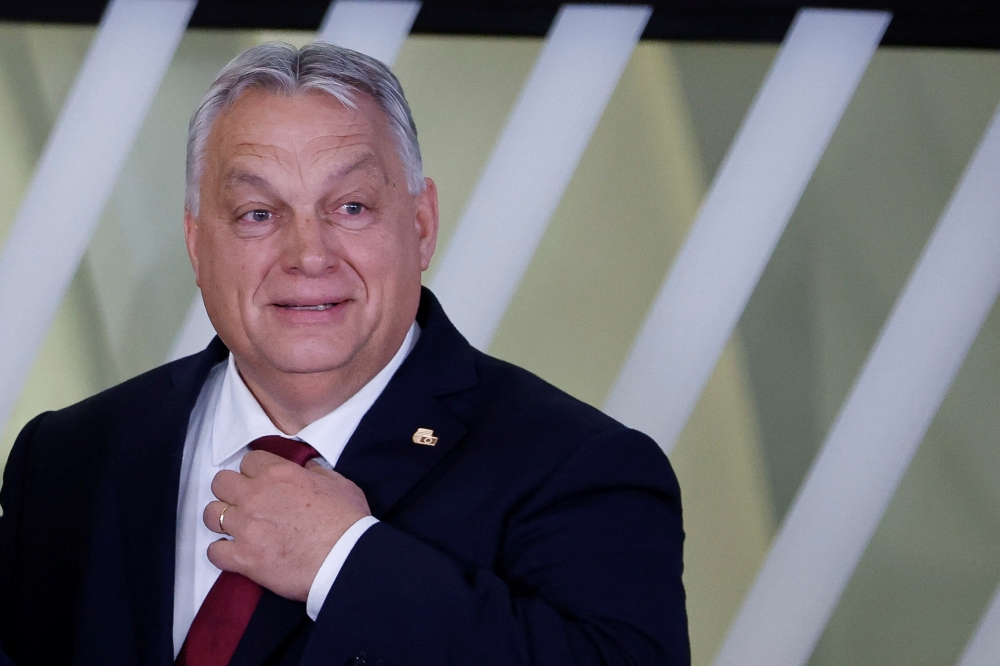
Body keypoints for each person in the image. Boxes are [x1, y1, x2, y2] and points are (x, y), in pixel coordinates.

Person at [0, 42, 689, 665]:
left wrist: (347, 561)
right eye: (258, 214)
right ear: (196, 243)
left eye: (351, 207)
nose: (308, 255)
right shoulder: (69, 458)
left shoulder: (578, 466)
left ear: (420, 226)